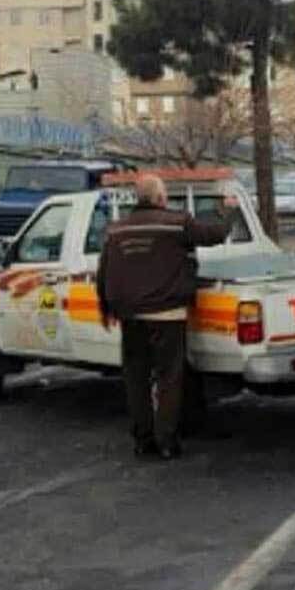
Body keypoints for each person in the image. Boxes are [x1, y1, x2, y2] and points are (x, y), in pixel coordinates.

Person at [97, 174, 238, 459]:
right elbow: (215, 235)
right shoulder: (177, 224)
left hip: (130, 314)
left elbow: (103, 272)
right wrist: (231, 211)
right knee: (169, 377)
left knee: (135, 378)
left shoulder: (115, 230)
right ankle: (167, 442)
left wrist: (106, 308)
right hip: (167, 312)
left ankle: (143, 440)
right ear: (161, 199)